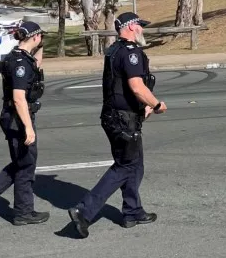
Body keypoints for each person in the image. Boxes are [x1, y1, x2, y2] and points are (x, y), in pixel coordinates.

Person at [68, 12, 165, 239]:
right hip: (123, 120)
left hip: (115, 116)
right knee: (125, 166)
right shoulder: (131, 53)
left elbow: (120, 86)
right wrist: (156, 104)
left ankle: (132, 212)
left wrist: (143, 107)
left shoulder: (113, 50)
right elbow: (136, 86)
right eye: (140, 26)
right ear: (131, 27)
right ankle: (83, 211)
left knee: (135, 165)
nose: (142, 30)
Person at [0, 20, 48, 226]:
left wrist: (41, 46)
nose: (41, 40)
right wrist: (28, 128)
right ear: (34, 36)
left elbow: (37, 65)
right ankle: (21, 211)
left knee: (22, 162)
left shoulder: (18, 57)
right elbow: (18, 98)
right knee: (26, 164)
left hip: (15, 117)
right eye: (40, 37)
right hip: (18, 119)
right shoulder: (20, 64)